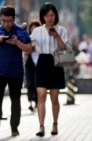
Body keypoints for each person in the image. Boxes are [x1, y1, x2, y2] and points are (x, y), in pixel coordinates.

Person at [0, 5, 32, 138]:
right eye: (3, 21)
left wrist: (17, 43)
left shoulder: (21, 31)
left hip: (16, 72)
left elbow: (29, 49)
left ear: (14, 18)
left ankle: (14, 128)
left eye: (9, 21)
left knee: (15, 100)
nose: (6, 24)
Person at [30, 2, 69, 137]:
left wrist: (56, 36)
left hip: (56, 62)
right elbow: (29, 44)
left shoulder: (62, 30)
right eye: (46, 15)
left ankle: (55, 123)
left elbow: (65, 48)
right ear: (42, 17)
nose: (49, 18)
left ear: (55, 16)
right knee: (41, 94)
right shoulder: (37, 31)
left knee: (54, 97)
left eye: (52, 15)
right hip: (42, 62)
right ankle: (41, 126)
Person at [23, 21, 41, 112]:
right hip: (29, 63)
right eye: (32, 28)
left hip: (39, 62)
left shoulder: (42, 38)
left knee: (37, 84)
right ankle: (30, 102)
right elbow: (26, 51)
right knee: (29, 83)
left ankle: (37, 103)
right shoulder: (28, 38)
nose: (33, 29)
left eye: (36, 28)